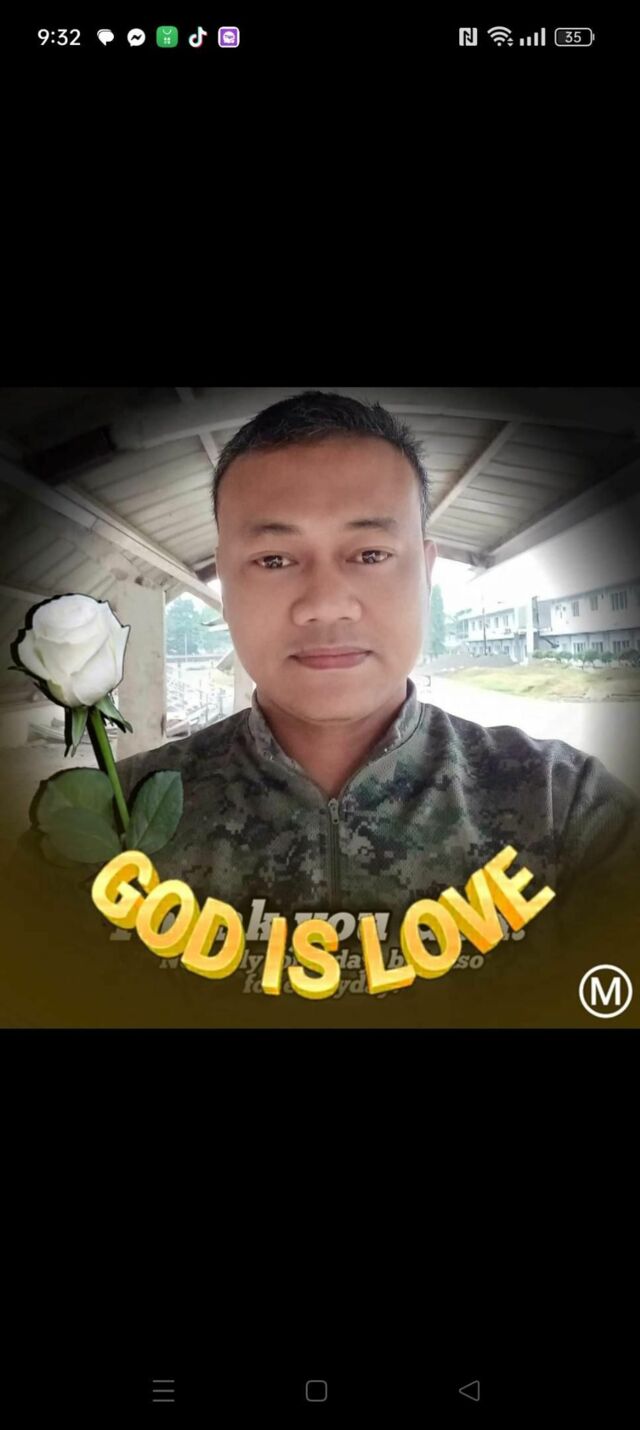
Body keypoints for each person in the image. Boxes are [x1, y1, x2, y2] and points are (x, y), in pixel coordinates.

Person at [3, 391, 640, 1028]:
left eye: (370, 554)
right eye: (275, 560)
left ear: (425, 571)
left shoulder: (564, 807)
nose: (326, 603)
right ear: (225, 581)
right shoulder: (101, 823)